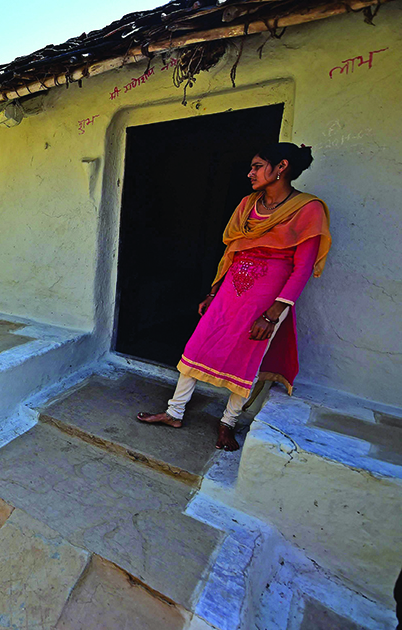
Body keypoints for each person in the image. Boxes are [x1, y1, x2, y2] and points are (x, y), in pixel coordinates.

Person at [137, 143, 331, 451]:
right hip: (231, 288)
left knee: (248, 358)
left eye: (256, 166)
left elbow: (303, 267)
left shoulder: (309, 209)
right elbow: (233, 251)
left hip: (267, 298)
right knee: (197, 346)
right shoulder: (247, 204)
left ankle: (228, 422)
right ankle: (174, 412)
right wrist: (214, 290)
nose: (250, 173)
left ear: (280, 167)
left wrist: (273, 314)